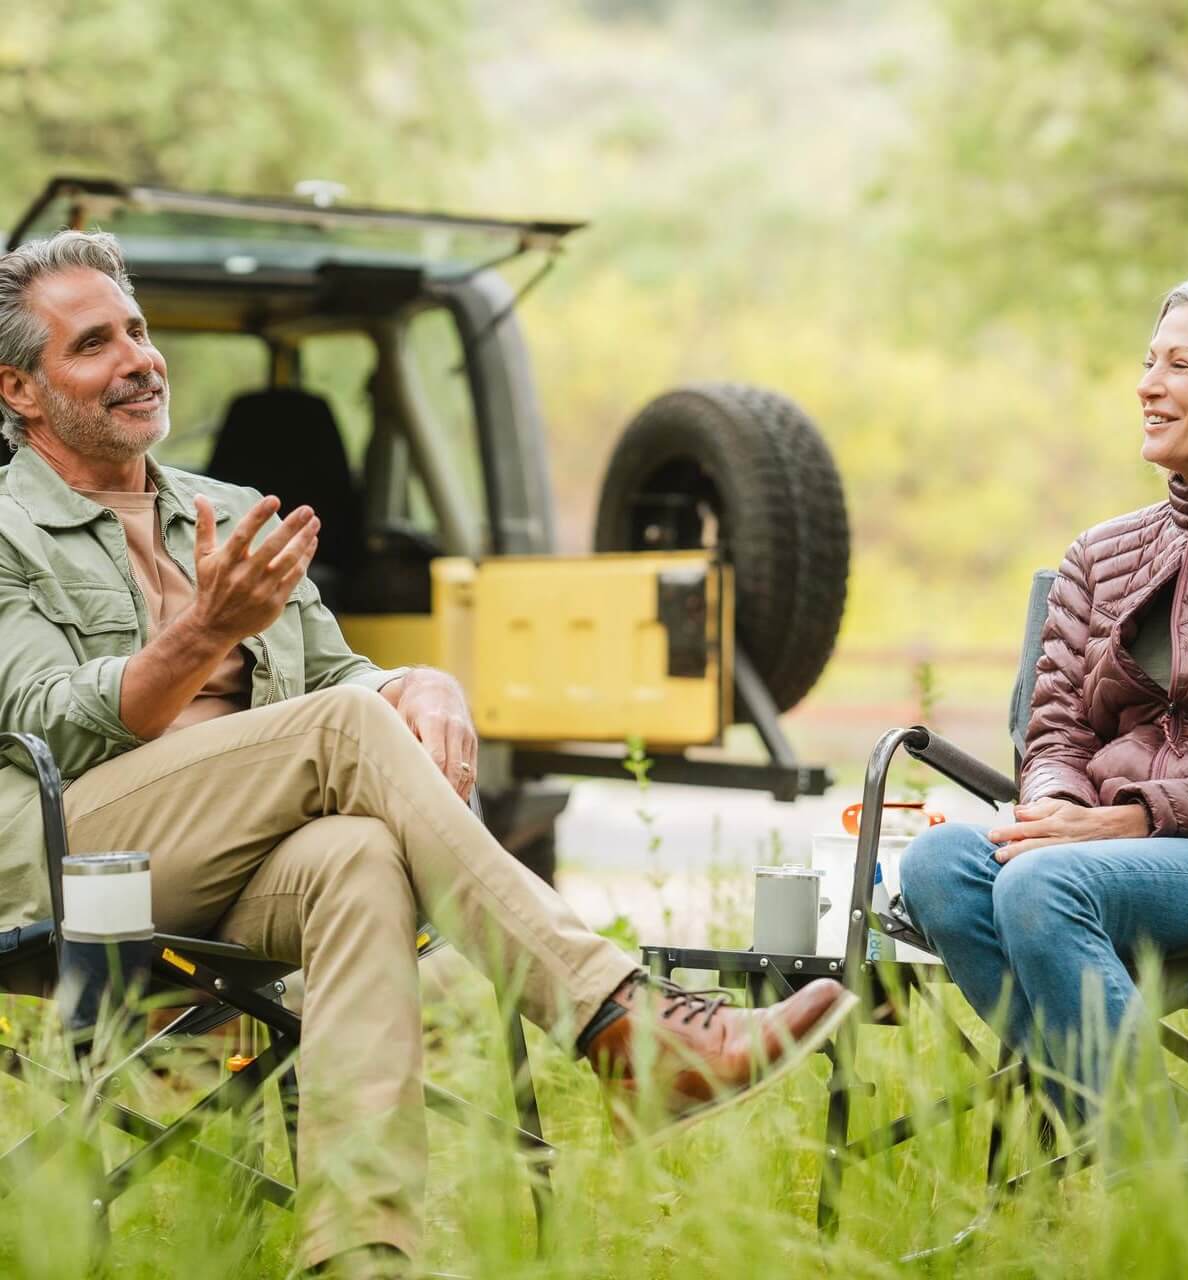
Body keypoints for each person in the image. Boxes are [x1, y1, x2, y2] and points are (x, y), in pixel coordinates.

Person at [0, 231, 852, 1279]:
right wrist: (206, 634)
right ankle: (619, 1018)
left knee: (359, 854)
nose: (138, 356)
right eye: (94, 343)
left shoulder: (219, 511)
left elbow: (340, 676)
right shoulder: (6, 527)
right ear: (22, 390)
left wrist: (422, 683)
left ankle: (362, 1251)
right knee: (348, 737)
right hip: (77, 859)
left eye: (137, 328)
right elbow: (46, 716)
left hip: (233, 864)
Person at [899, 272, 1188, 1146]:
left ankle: (1157, 1186)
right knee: (941, 864)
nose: (1146, 385)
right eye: (1149, 362)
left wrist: (1134, 821)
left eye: (1180, 365)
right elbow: (1058, 727)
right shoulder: (1101, 553)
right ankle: (1177, 1155)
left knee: (1043, 880)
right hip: (1109, 852)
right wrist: (1063, 805)